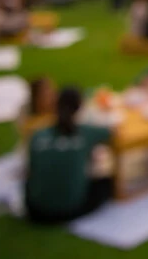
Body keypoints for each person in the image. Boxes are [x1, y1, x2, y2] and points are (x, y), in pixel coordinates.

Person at [24, 87, 113, 224]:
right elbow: (113, 132)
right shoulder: (85, 132)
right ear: (80, 108)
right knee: (106, 182)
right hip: (70, 209)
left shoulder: (37, 135)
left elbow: (30, 171)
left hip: (34, 210)